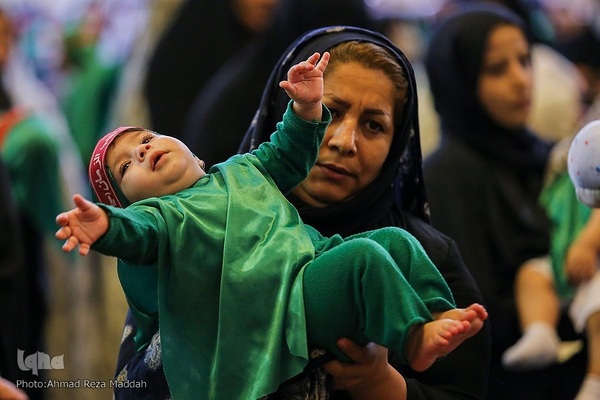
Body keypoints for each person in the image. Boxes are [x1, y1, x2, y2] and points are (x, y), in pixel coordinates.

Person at [57, 51, 487, 400]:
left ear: (399, 143)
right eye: (332, 112)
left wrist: (386, 387)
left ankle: (425, 321)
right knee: (366, 255)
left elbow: (286, 150)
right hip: (288, 309)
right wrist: (109, 224)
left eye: (374, 124)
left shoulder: (247, 173)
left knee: (392, 242)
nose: (342, 140)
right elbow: (138, 235)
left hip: (315, 267)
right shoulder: (171, 238)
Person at [422, 3, 586, 399]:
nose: (522, 80)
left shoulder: (545, 156)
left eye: (525, 61)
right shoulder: (447, 175)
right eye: (498, 69)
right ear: (458, 81)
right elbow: (475, 309)